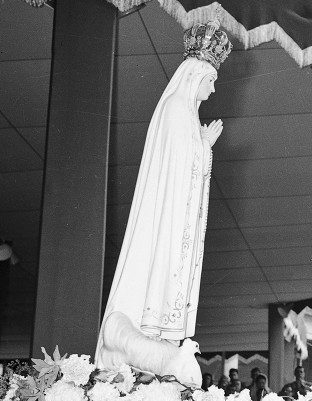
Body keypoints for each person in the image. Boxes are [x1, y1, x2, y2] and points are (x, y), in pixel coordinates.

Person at [95, 20, 232, 377]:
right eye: (212, 79)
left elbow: (184, 168)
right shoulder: (175, 111)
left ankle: (156, 349)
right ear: (195, 75)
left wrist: (202, 148)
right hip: (167, 222)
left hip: (176, 218)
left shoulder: (184, 114)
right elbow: (178, 171)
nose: (214, 89)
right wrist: (204, 148)